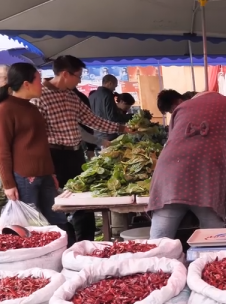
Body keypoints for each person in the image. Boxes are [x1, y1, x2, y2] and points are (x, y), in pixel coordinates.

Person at [148, 90, 226, 239]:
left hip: (168, 179)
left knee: (158, 244)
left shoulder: (183, 108)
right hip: (208, 181)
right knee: (212, 244)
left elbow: (173, 144)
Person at [34, 55, 129, 246]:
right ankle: (65, 246)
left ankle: (87, 246)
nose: (79, 80)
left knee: (83, 202)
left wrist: (122, 129)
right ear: (64, 74)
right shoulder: (40, 96)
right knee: (58, 204)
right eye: (77, 76)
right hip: (54, 155)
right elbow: (37, 135)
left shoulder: (71, 95)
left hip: (76, 154)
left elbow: (91, 120)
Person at [0, 63, 67, 230]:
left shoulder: (32, 107)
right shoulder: (5, 109)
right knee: (33, 227)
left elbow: (41, 143)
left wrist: (50, 172)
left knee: (57, 222)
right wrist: (8, 184)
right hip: (23, 178)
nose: (42, 83)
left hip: (44, 175)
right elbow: (2, 150)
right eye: (38, 79)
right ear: (26, 84)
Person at [90, 74, 133, 143]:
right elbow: (112, 117)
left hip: (96, 134)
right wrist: (130, 116)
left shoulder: (92, 96)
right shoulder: (107, 95)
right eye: (114, 86)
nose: (114, 89)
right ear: (110, 83)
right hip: (108, 134)